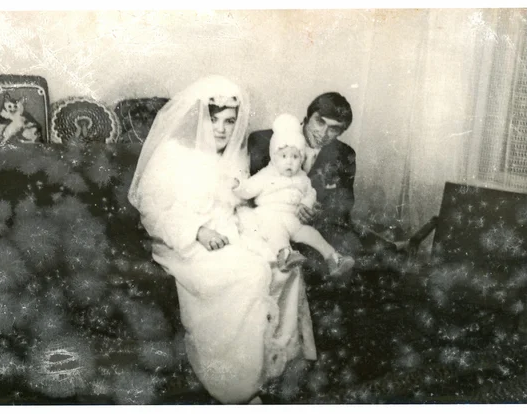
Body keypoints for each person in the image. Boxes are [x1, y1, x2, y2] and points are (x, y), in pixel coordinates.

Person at [128, 75, 316, 404]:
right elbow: (152, 211)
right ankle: (236, 385)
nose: (222, 130)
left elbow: (239, 203)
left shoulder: (233, 157)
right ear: (198, 118)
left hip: (229, 233)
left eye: (229, 122)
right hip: (184, 243)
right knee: (248, 276)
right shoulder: (173, 153)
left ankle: (274, 368)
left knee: (280, 266)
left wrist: (256, 232)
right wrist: (197, 232)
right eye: (213, 120)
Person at [233, 113, 355, 277]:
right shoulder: (266, 174)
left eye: (295, 157)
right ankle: (285, 255)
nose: (290, 161)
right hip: (270, 216)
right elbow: (249, 189)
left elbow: (310, 193)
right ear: (274, 157)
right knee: (277, 234)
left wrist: (306, 204)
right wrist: (238, 185)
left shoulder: (302, 178)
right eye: (284, 156)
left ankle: (333, 258)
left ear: (301, 159)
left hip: (293, 219)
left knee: (312, 234)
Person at [247, 92, 362, 263]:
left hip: (314, 229)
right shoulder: (264, 140)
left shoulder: (344, 155)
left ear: (342, 131)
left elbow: (344, 204)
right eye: (320, 121)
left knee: (357, 254)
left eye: (334, 128)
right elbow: (250, 194)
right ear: (307, 118)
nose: (323, 133)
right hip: (269, 225)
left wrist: (317, 211)